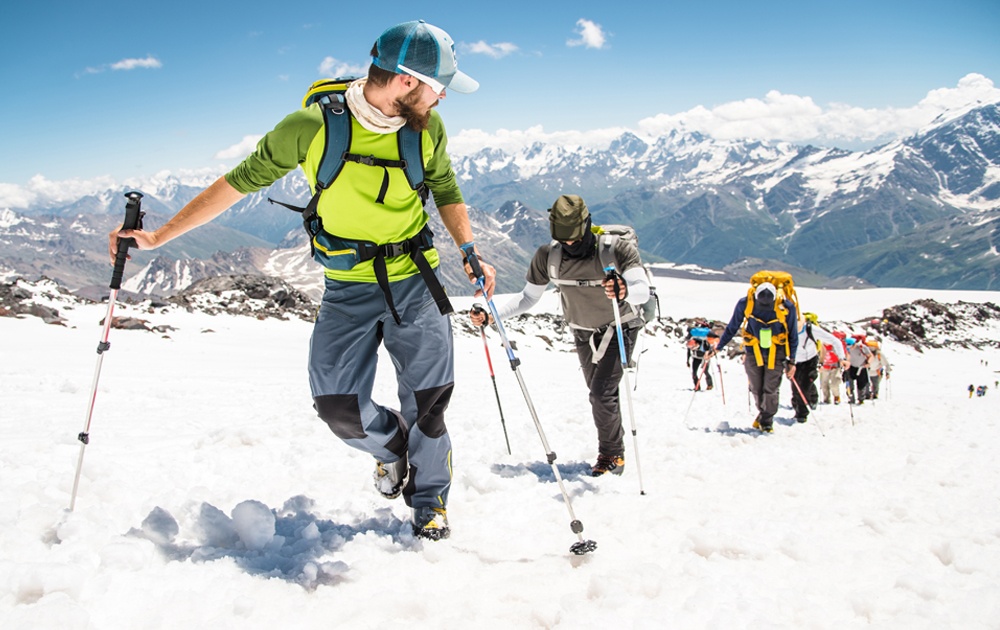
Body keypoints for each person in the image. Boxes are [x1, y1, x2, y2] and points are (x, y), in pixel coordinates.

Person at [107, 20, 496, 541]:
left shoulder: (427, 127)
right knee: (337, 406)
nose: (442, 97)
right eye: (438, 86)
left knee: (429, 401)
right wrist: (159, 237)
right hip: (348, 286)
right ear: (406, 81)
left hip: (416, 280)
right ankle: (393, 448)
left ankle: (429, 502)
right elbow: (237, 183)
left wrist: (470, 248)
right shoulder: (312, 127)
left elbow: (444, 186)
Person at [469, 194, 650, 477]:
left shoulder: (617, 249)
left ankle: (612, 454)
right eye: (563, 239)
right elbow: (528, 297)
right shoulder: (548, 256)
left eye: (575, 239)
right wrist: (493, 315)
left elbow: (642, 289)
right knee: (600, 393)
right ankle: (612, 449)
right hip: (582, 331)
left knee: (601, 393)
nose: (569, 245)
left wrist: (624, 289)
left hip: (621, 327)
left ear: (587, 225)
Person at [705, 282, 798, 433]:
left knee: (770, 388)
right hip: (754, 351)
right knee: (756, 387)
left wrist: (792, 360)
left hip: (775, 352)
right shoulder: (746, 304)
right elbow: (733, 327)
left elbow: (793, 334)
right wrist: (719, 347)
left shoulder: (786, 307)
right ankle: (763, 414)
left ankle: (766, 421)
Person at [791, 313, 846, 422]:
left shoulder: (811, 329)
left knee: (805, 386)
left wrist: (842, 358)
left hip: (810, 360)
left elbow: (835, 341)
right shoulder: (786, 329)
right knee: (795, 387)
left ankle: (802, 414)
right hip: (795, 361)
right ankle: (800, 408)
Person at [685, 324, 715, 391]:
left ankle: (708, 385)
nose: (691, 349)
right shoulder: (693, 341)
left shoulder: (703, 343)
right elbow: (688, 352)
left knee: (703, 372)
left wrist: (709, 355)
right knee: (697, 373)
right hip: (698, 357)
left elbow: (709, 350)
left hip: (703, 357)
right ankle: (699, 386)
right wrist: (687, 361)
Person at [845, 337, 873, 405]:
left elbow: (870, 356)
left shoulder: (862, 347)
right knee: (849, 383)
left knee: (861, 384)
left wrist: (868, 363)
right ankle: (851, 398)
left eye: (850, 345)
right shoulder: (846, 349)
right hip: (851, 367)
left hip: (861, 367)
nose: (849, 347)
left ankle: (861, 399)